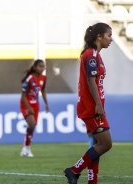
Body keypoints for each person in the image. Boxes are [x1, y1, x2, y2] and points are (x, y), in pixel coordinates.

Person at [64, 22, 113, 184]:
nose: (110, 39)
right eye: (108, 35)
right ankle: (74, 170)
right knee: (106, 143)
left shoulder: (93, 54)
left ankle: (93, 180)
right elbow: (91, 81)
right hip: (91, 107)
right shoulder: (91, 55)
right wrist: (98, 105)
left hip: (94, 106)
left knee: (97, 144)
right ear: (99, 37)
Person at [20, 59, 49, 157]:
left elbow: (43, 91)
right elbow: (23, 95)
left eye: (43, 66)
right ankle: (26, 149)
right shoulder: (30, 78)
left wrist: (46, 104)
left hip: (36, 105)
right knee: (32, 124)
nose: (42, 68)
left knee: (32, 126)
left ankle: (26, 148)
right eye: (40, 66)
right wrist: (28, 107)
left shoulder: (44, 78)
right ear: (35, 67)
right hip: (26, 104)